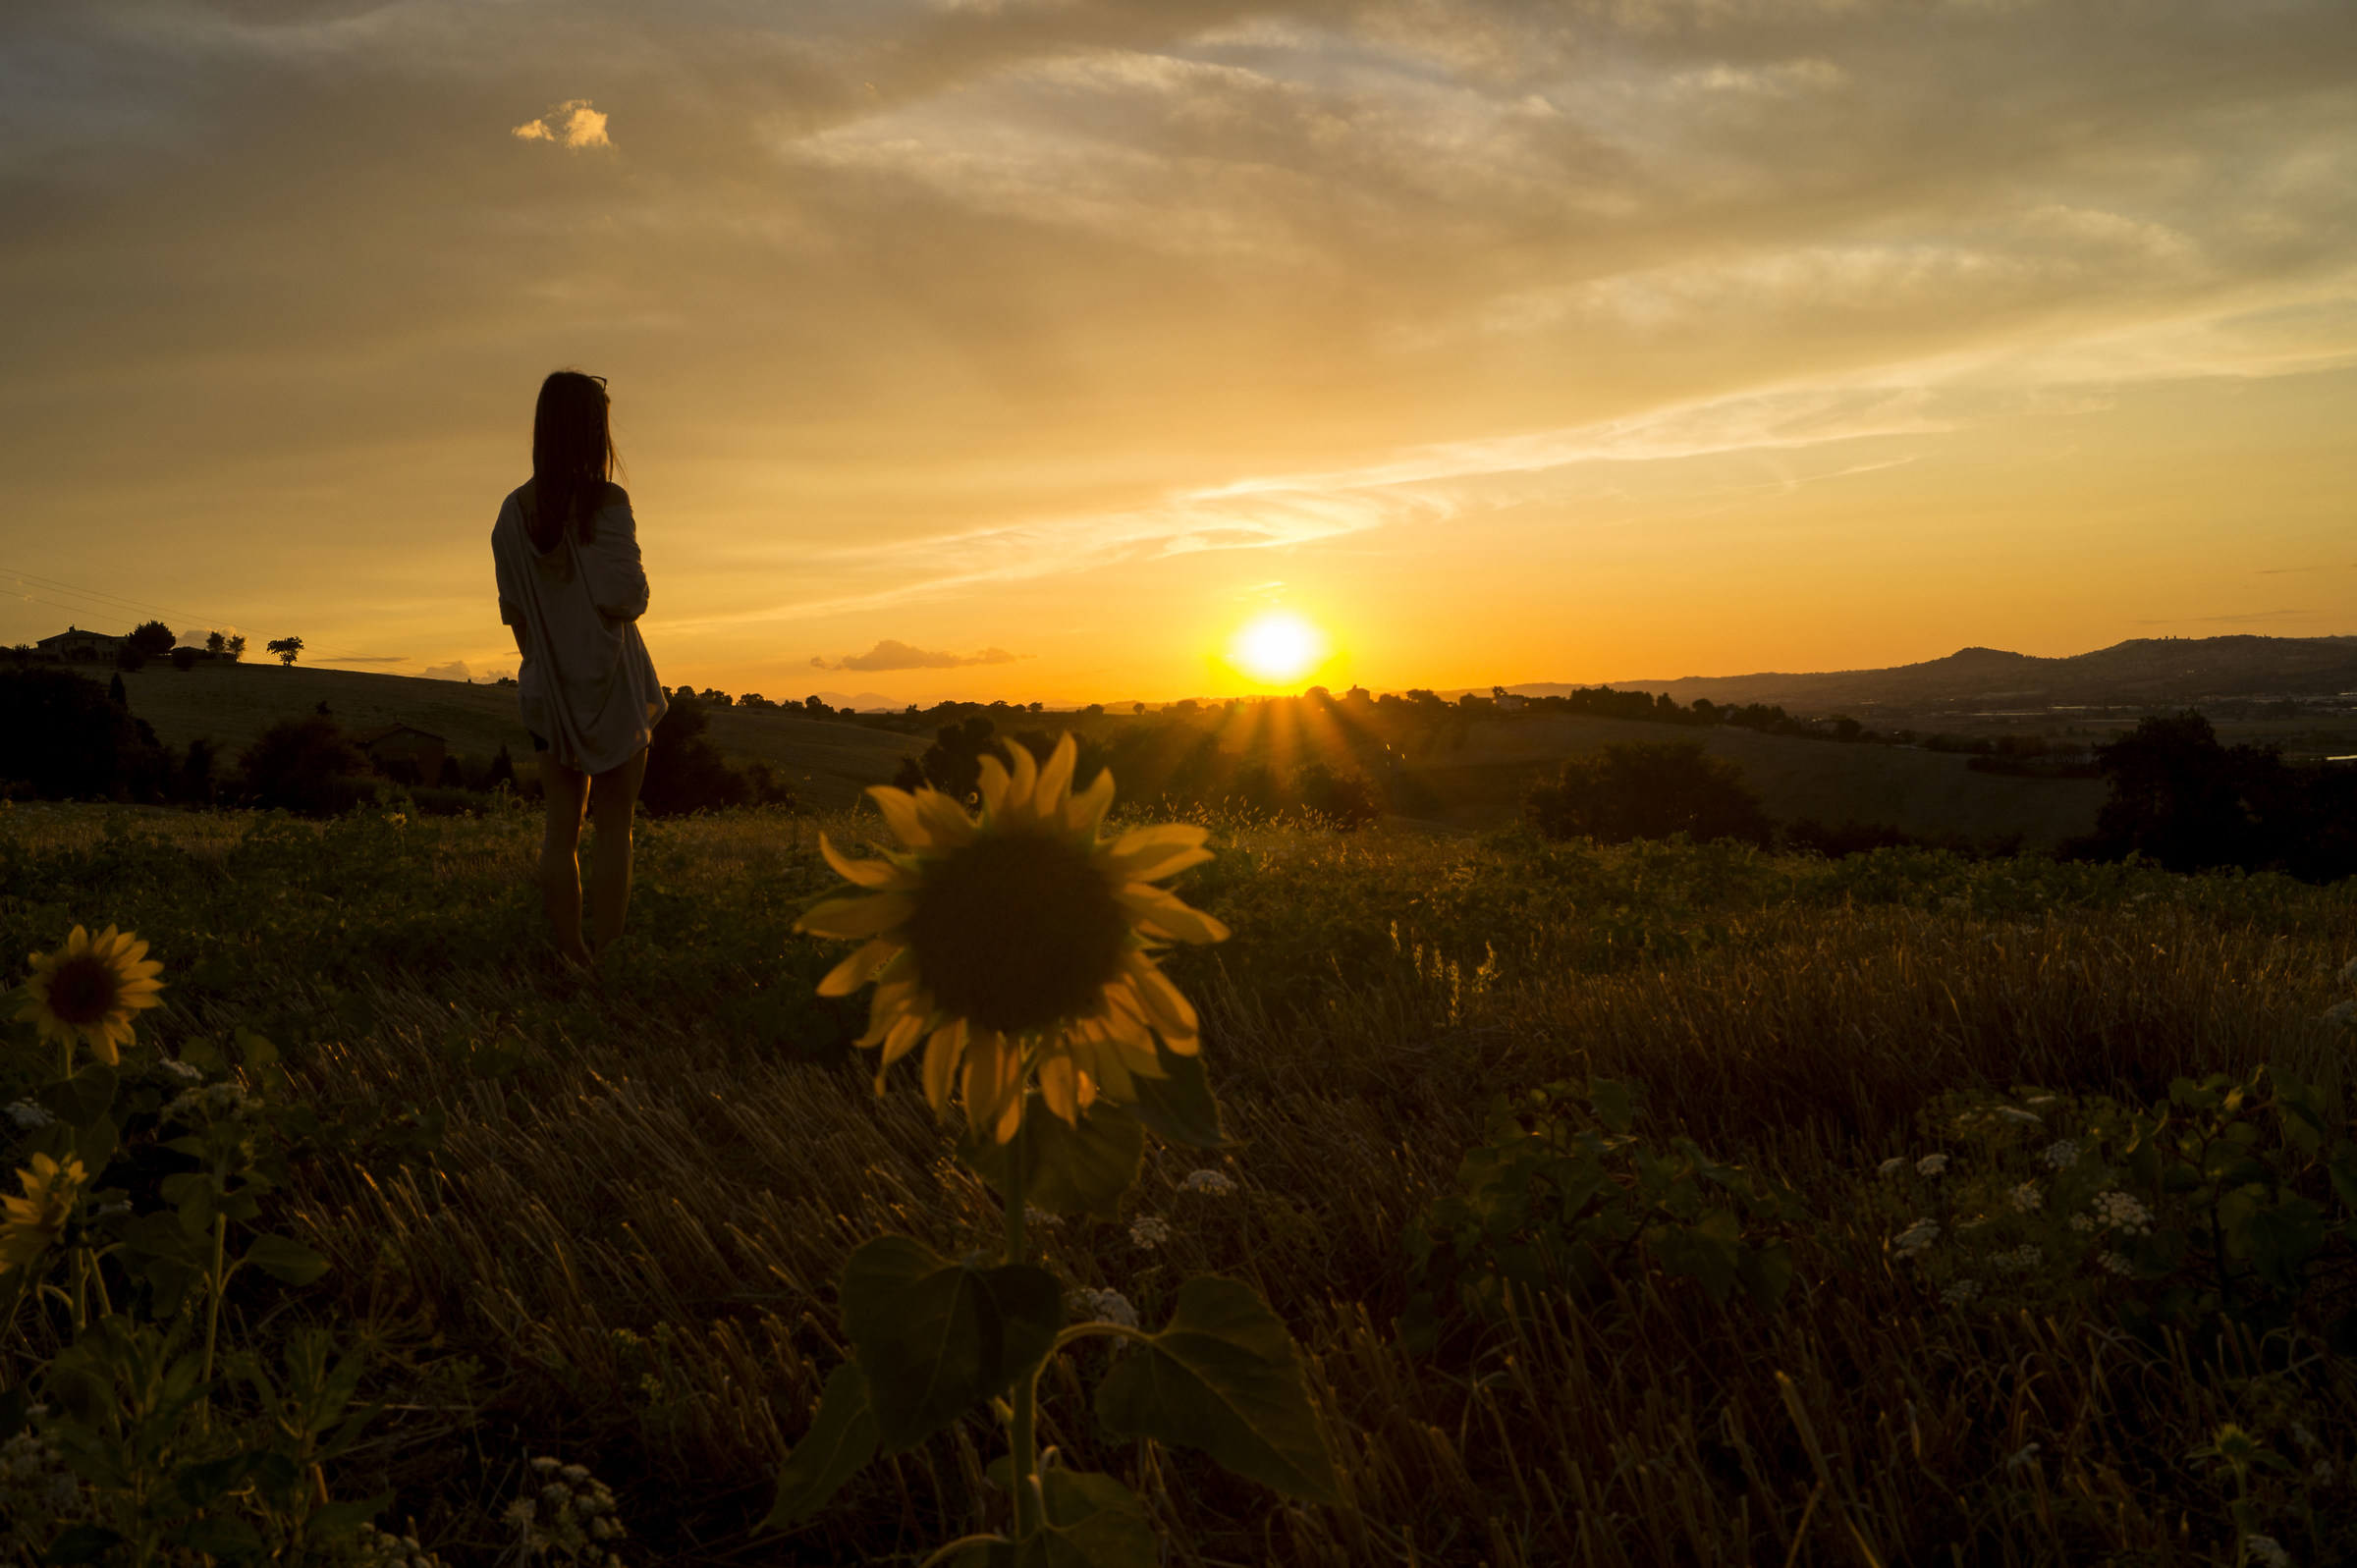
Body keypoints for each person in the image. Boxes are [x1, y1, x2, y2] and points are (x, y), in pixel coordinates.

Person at [492, 370, 668, 965]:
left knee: (559, 827)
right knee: (615, 826)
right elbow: (627, 599)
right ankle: (611, 955)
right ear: (595, 431)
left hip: (548, 689)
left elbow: (515, 614)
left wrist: (550, 661)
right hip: (613, 684)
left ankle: (571, 955)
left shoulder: (510, 516)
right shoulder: (607, 505)